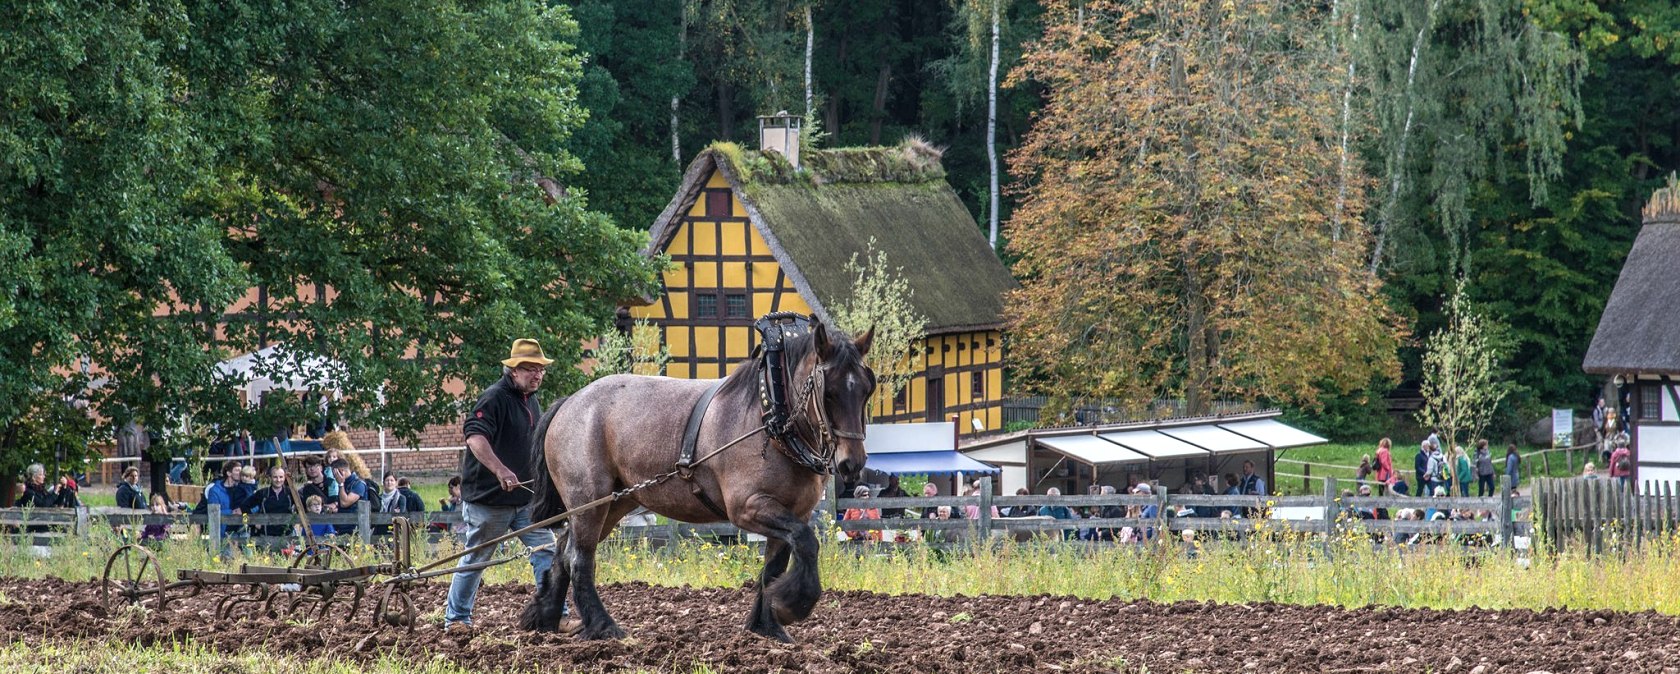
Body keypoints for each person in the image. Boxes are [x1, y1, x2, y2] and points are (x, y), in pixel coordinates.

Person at [445, 338, 562, 634]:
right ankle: (457, 619)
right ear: (512, 370)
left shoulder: (531, 401)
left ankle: (553, 614)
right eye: (529, 369)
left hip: (524, 500)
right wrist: (501, 470)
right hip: (489, 501)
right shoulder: (493, 398)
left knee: (547, 551)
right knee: (476, 559)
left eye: (540, 370)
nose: (536, 375)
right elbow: (474, 437)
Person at [241, 465, 297, 543]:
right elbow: (244, 506)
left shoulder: (290, 493)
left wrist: (296, 520)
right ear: (270, 478)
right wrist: (251, 523)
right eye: (275, 477)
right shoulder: (262, 493)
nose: (278, 480)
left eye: (281, 477)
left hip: (286, 536)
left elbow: (301, 507)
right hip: (266, 537)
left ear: (284, 478)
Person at [328, 459, 367, 535]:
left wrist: (341, 484)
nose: (334, 476)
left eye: (335, 473)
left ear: (342, 471)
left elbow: (344, 503)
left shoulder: (358, 484)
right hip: (342, 526)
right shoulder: (343, 483)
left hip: (355, 528)